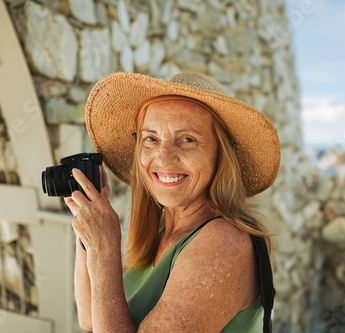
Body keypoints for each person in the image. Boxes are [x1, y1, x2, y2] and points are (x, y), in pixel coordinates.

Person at [64, 72, 280, 332]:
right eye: (151, 139)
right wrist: (88, 218)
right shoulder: (161, 235)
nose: (164, 158)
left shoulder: (224, 243)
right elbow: (90, 317)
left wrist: (103, 249)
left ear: (220, 154)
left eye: (187, 140)